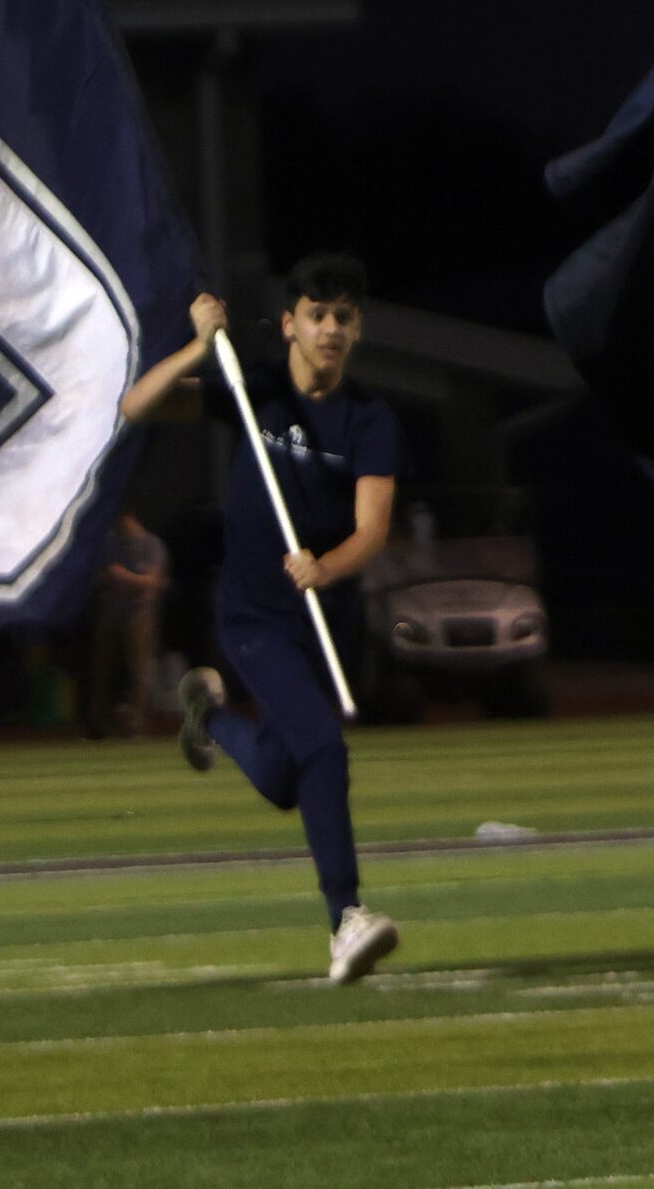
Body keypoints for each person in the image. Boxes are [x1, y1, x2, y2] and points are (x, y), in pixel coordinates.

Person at [119, 254, 405, 984]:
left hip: (324, 614)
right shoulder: (256, 391)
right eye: (317, 315)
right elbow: (137, 405)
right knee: (326, 754)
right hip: (254, 615)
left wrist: (326, 567)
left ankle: (209, 718)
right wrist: (196, 343)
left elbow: (372, 531)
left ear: (357, 328)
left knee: (285, 778)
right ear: (290, 324)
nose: (330, 329)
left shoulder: (369, 419)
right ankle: (348, 919)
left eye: (343, 317)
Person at [85, 512, 169, 738]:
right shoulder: (109, 543)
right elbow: (96, 576)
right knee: (101, 670)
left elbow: (155, 580)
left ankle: (136, 727)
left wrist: (124, 577)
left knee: (139, 671)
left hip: (139, 614)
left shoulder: (151, 544)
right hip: (109, 613)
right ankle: (97, 726)